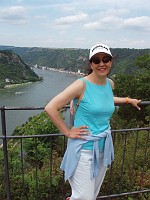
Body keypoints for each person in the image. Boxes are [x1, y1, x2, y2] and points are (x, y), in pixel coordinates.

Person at [45, 43, 141, 200]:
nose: (102, 63)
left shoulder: (109, 84)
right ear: (91, 64)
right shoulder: (81, 84)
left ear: (111, 61)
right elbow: (51, 107)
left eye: (106, 59)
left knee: (91, 195)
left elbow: (105, 100)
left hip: (103, 150)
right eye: (96, 60)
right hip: (84, 150)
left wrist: (127, 100)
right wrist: (68, 132)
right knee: (86, 197)